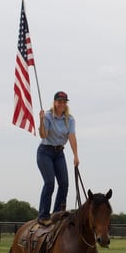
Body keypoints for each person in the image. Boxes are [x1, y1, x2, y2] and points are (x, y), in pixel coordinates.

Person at [36, 90, 79, 225]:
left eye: (64, 102)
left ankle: (57, 214)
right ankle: (43, 215)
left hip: (59, 153)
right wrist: (41, 121)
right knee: (49, 183)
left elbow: (72, 137)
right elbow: (43, 135)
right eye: (59, 102)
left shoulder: (70, 119)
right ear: (54, 102)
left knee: (64, 184)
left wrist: (75, 155)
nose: (62, 104)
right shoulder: (48, 116)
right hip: (45, 152)